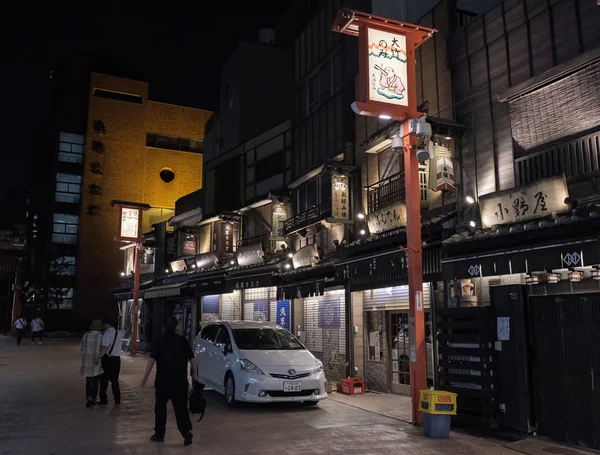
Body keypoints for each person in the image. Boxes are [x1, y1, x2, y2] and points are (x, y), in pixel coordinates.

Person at [141, 317, 197, 446]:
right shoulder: (182, 341)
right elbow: (193, 359)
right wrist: (194, 375)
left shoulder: (159, 341)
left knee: (160, 409)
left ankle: (159, 434)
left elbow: (151, 360)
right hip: (180, 382)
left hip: (163, 382)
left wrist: (145, 377)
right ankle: (186, 432)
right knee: (181, 408)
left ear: (163, 327)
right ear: (176, 327)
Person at [98, 319, 123, 405]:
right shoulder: (119, 332)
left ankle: (103, 399)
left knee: (104, 380)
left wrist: (99, 356)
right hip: (117, 359)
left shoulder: (107, 334)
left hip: (108, 359)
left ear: (107, 324)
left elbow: (105, 347)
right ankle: (117, 399)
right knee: (115, 380)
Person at [80, 319, 104, 408]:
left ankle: (88, 398)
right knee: (96, 380)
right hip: (96, 361)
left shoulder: (86, 335)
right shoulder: (101, 336)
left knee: (88, 381)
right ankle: (94, 398)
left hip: (86, 361)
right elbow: (103, 349)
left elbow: (81, 347)